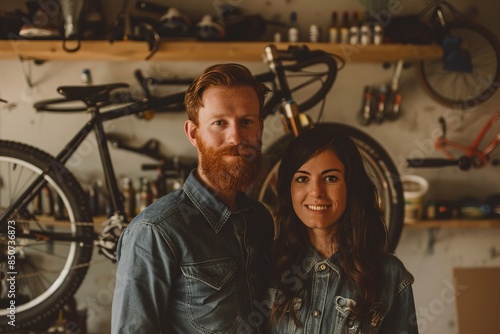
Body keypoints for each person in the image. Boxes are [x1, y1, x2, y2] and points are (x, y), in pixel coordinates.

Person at [111, 63, 274, 333]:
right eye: (219, 123)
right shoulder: (155, 232)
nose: (236, 137)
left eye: (246, 122)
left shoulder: (260, 219)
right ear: (193, 134)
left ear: (260, 128)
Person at [266, 126, 418, 334]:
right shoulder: (264, 264)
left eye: (330, 178)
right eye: (302, 178)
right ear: (288, 189)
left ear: (350, 186)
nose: (316, 192)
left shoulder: (390, 275)